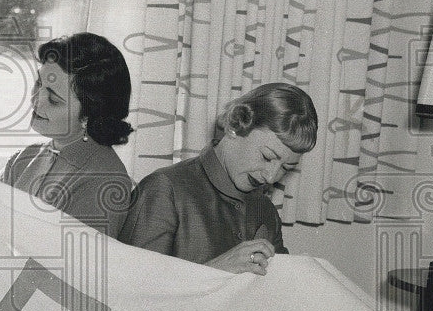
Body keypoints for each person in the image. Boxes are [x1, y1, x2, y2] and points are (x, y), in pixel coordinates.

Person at [118, 83, 318, 275]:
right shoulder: (165, 189)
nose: (271, 176)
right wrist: (215, 271)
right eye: (267, 156)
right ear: (235, 125)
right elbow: (134, 292)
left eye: (286, 167)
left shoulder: (266, 211)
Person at [0, 33, 135, 237]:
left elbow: (77, 265)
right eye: (39, 84)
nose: (36, 100)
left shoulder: (105, 180)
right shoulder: (23, 158)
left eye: (54, 99)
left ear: (89, 115)